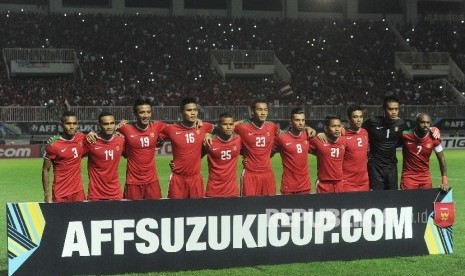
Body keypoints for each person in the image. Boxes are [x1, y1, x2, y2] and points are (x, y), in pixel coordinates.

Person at [160, 97, 214, 199]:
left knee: (197, 212)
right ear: (181, 112)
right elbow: (154, 136)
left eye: (195, 110)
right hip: (177, 179)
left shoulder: (204, 126)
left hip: (196, 178)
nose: (193, 113)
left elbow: (216, 128)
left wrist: (207, 134)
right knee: (175, 211)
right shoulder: (171, 129)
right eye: (189, 110)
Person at [116, 97, 166, 200]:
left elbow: (178, 129)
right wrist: (93, 133)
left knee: (156, 211)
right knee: (132, 214)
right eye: (142, 112)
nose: (146, 115)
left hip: (152, 181)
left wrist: (203, 129)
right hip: (133, 182)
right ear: (135, 113)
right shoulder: (125, 129)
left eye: (148, 112)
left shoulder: (157, 126)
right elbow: (107, 134)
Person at [233, 99, 280, 196]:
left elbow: (287, 135)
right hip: (250, 174)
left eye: (265, 110)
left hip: (268, 174)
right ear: (252, 111)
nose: (263, 113)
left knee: (268, 207)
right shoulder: (242, 127)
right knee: (248, 208)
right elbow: (225, 126)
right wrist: (208, 134)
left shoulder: (272, 126)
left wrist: (306, 128)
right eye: (259, 110)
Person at [362, 96, 407, 190]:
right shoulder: (372, 122)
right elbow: (357, 131)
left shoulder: (401, 124)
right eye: (390, 109)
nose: (394, 112)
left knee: (392, 196)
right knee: (377, 196)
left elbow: (416, 132)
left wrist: (432, 129)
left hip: (392, 166)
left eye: (396, 109)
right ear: (384, 109)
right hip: (375, 166)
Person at [42, 111, 86, 203]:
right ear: (61, 125)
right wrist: (47, 194)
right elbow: (46, 169)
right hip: (60, 193)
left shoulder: (81, 138)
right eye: (68, 123)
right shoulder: (53, 144)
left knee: (79, 217)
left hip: (78, 192)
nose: (71, 126)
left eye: (74, 123)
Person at [83, 112, 125, 201]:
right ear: (99, 125)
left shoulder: (121, 141)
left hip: (115, 194)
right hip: (96, 195)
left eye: (112, 123)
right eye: (105, 124)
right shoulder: (91, 141)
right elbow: (70, 140)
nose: (109, 126)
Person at [401, 113, 448, 191]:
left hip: (425, 178)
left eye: (428, 122)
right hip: (409, 177)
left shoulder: (434, 138)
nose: (425, 125)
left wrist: (444, 180)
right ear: (416, 123)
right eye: (422, 122)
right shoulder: (405, 135)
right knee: (407, 202)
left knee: (426, 202)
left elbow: (441, 158)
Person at [273, 108, 312, 195]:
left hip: (305, 186)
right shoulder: (281, 138)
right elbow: (267, 154)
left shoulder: (308, 135)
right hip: (288, 187)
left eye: (303, 120)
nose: (301, 123)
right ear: (290, 122)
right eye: (297, 120)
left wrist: (321, 133)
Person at [203, 113, 242, 197]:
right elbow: (195, 157)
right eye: (225, 124)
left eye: (231, 124)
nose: (228, 127)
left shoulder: (238, 139)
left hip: (232, 190)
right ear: (219, 126)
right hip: (213, 190)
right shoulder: (209, 141)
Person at [308, 115, 346, 193]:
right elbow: (301, 144)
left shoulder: (344, 141)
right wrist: (308, 129)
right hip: (323, 184)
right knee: (323, 205)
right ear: (326, 128)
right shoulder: (317, 141)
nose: (337, 129)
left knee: (340, 205)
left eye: (339, 126)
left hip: (339, 184)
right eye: (333, 126)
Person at [343, 105, 370, 192]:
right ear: (348, 119)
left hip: (364, 182)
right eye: (355, 117)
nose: (359, 120)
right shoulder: (342, 136)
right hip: (348, 182)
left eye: (361, 117)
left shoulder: (365, 132)